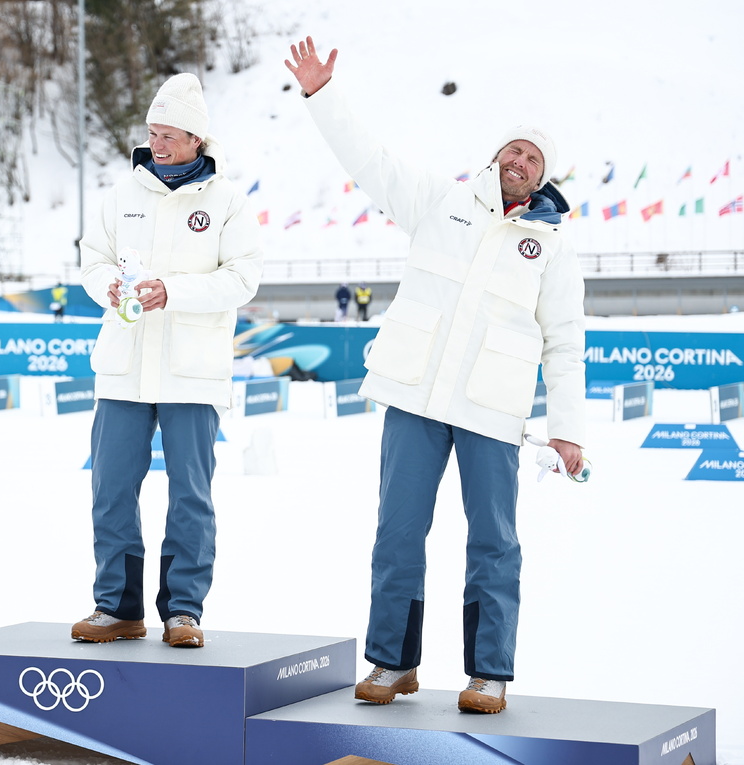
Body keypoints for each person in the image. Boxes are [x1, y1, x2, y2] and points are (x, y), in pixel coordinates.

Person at [286, 37, 586, 713]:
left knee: (494, 541)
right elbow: (370, 161)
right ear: (495, 156)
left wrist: (568, 428)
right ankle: (392, 662)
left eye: (532, 157)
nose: (519, 160)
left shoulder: (554, 250)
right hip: (415, 396)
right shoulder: (440, 202)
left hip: (493, 410)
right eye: (513, 149)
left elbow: (566, 343)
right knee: (397, 532)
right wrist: (321, 95)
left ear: (542, 177)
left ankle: (488, 671)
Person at [72, 73, 263, 648]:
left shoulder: (229, 202)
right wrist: (108, 286)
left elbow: (243, 279)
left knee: (190, 495)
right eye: (153, 133)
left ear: (197, 140)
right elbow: (92, 261)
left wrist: (170, 290)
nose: (157, 144)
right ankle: (118, 608)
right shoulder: (120, 194)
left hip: (192, 370)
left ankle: (183, 611)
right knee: (110, 491)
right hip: (124, 368)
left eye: (170, 135)